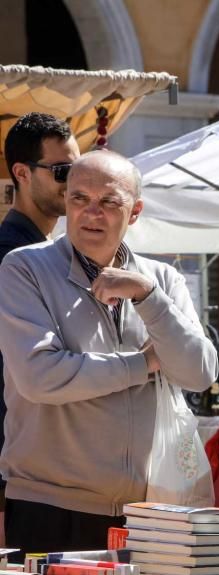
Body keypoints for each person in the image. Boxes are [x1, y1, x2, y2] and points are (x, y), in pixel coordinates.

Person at [0, 150, 217, 553]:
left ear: (134, 212)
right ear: (65, 203)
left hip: (150, 513)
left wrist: (149, 297)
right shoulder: (23, 268)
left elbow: (200, 373)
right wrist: (144, 363)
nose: (90, 213)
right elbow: (39, 377)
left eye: (108, 202)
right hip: (50, 507)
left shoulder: (162, 280)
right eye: (79, 199)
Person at [0, 113, 80, 505]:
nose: (75, 182)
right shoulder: (11, 258)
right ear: (23, 173)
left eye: (78, 168)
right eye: (63, 170)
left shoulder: (47, 254)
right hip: (19, 469)